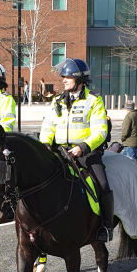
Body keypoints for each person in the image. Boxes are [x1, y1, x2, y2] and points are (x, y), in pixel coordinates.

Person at [39, 58, 114, 242]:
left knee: (102, 185)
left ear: (80, 79)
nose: (63, 80)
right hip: (60, 151)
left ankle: (106, 225)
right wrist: (45, 145)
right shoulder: (57, 100)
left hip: (86, 152)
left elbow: (100, 131)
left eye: (68, 77)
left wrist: (82, 147)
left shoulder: (93, 100)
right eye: (63, 76)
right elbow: (48, 126)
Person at [120, 101, 137, 170]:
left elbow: (125, 129)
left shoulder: (129, 116)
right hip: (135, 140)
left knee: (130, 163)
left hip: (129, 141)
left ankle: (131, 176)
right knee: (124, 161)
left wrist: (122, 137)